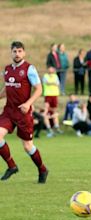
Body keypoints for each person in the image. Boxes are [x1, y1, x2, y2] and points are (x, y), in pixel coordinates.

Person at [0, 41, 49, 183]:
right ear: (11, 52)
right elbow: (7, 88)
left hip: (23, 114)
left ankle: (42, 169)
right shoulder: (7, 69)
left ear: (24, 53)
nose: (17, 54)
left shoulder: (29, 69)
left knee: (28, 146)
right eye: (15, 51)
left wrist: (28, 104)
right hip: (9, 112)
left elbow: (39, 89)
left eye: (20, 51)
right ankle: (12, 166)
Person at [42, 66, 63, 137]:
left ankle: (56, 127)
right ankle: (48, 128)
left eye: (52, 68)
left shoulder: (55, 76)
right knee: (46, 110)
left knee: (55, 111)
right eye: (50, 68)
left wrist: (52, 83)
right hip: (48, 95)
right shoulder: (45, 76)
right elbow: (47, 83)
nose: (51, 70)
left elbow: (57, 83)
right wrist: (53, 83)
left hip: (54, 95)